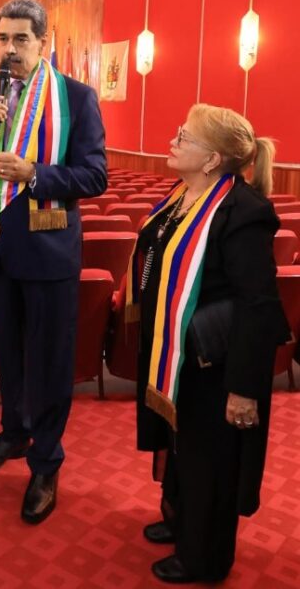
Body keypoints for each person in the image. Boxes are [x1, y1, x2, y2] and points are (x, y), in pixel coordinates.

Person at [0, 0, 107, 524]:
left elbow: (95, 175)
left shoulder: (75, 97)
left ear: (43, 42)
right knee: (8, 355)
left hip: (49, 250)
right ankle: (13, 434)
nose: (9, 49)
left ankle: (46, 461)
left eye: (20, 39)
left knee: (50, 362)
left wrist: (36, 173)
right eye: (3, 38)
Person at [126, 104, 290, 583]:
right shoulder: (182, 195)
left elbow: (258, 306)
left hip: (215, 363)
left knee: (210, 461)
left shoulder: (244, 212)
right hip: (176, 355)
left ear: (213, 159)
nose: (173, 140)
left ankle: (204, 558)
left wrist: (243, 389)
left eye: (185, 137)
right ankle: (180, 520)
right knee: (182, 447)